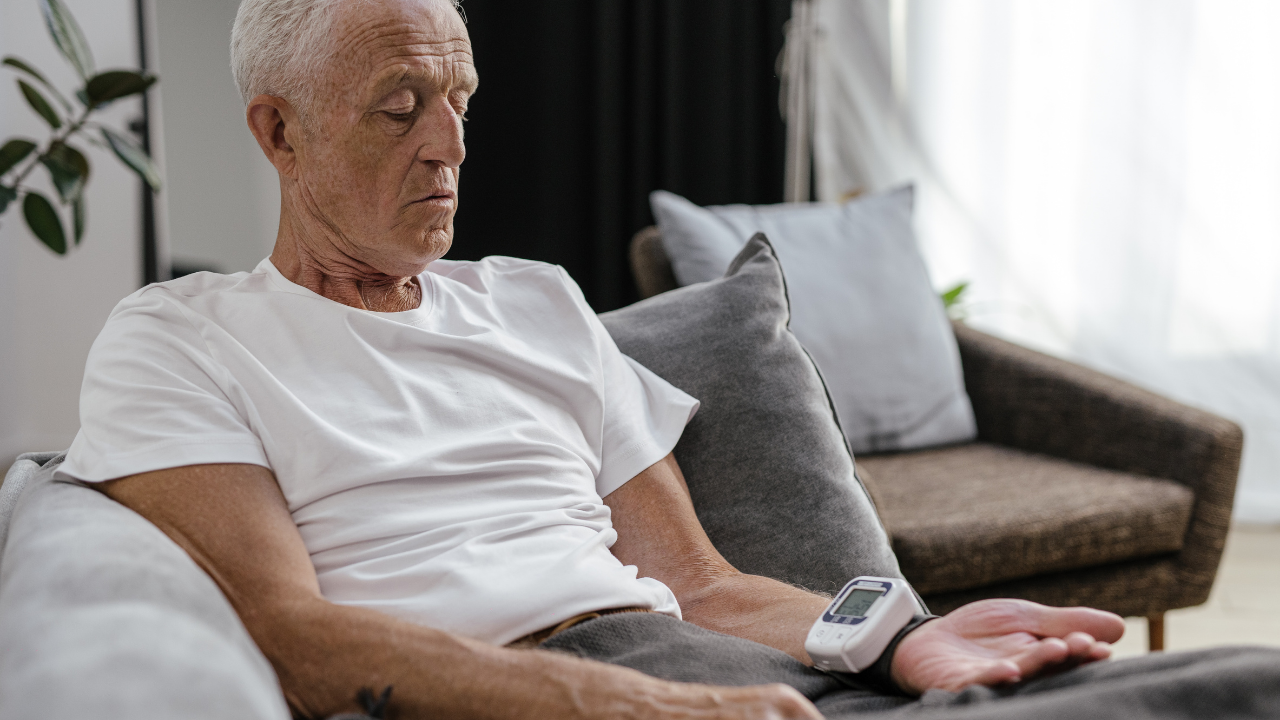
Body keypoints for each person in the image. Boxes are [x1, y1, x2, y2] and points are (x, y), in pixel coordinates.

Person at [58, 0, 1279, 718]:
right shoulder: (181, 337)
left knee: (1242, 682)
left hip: (698, 673)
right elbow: (291, 635)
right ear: (277, 129)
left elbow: (700, 586)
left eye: (462, 103)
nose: (449, 147)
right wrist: (647, 709)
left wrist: (906, 633)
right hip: (524, 697)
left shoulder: (534, 301)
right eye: (397, 107)